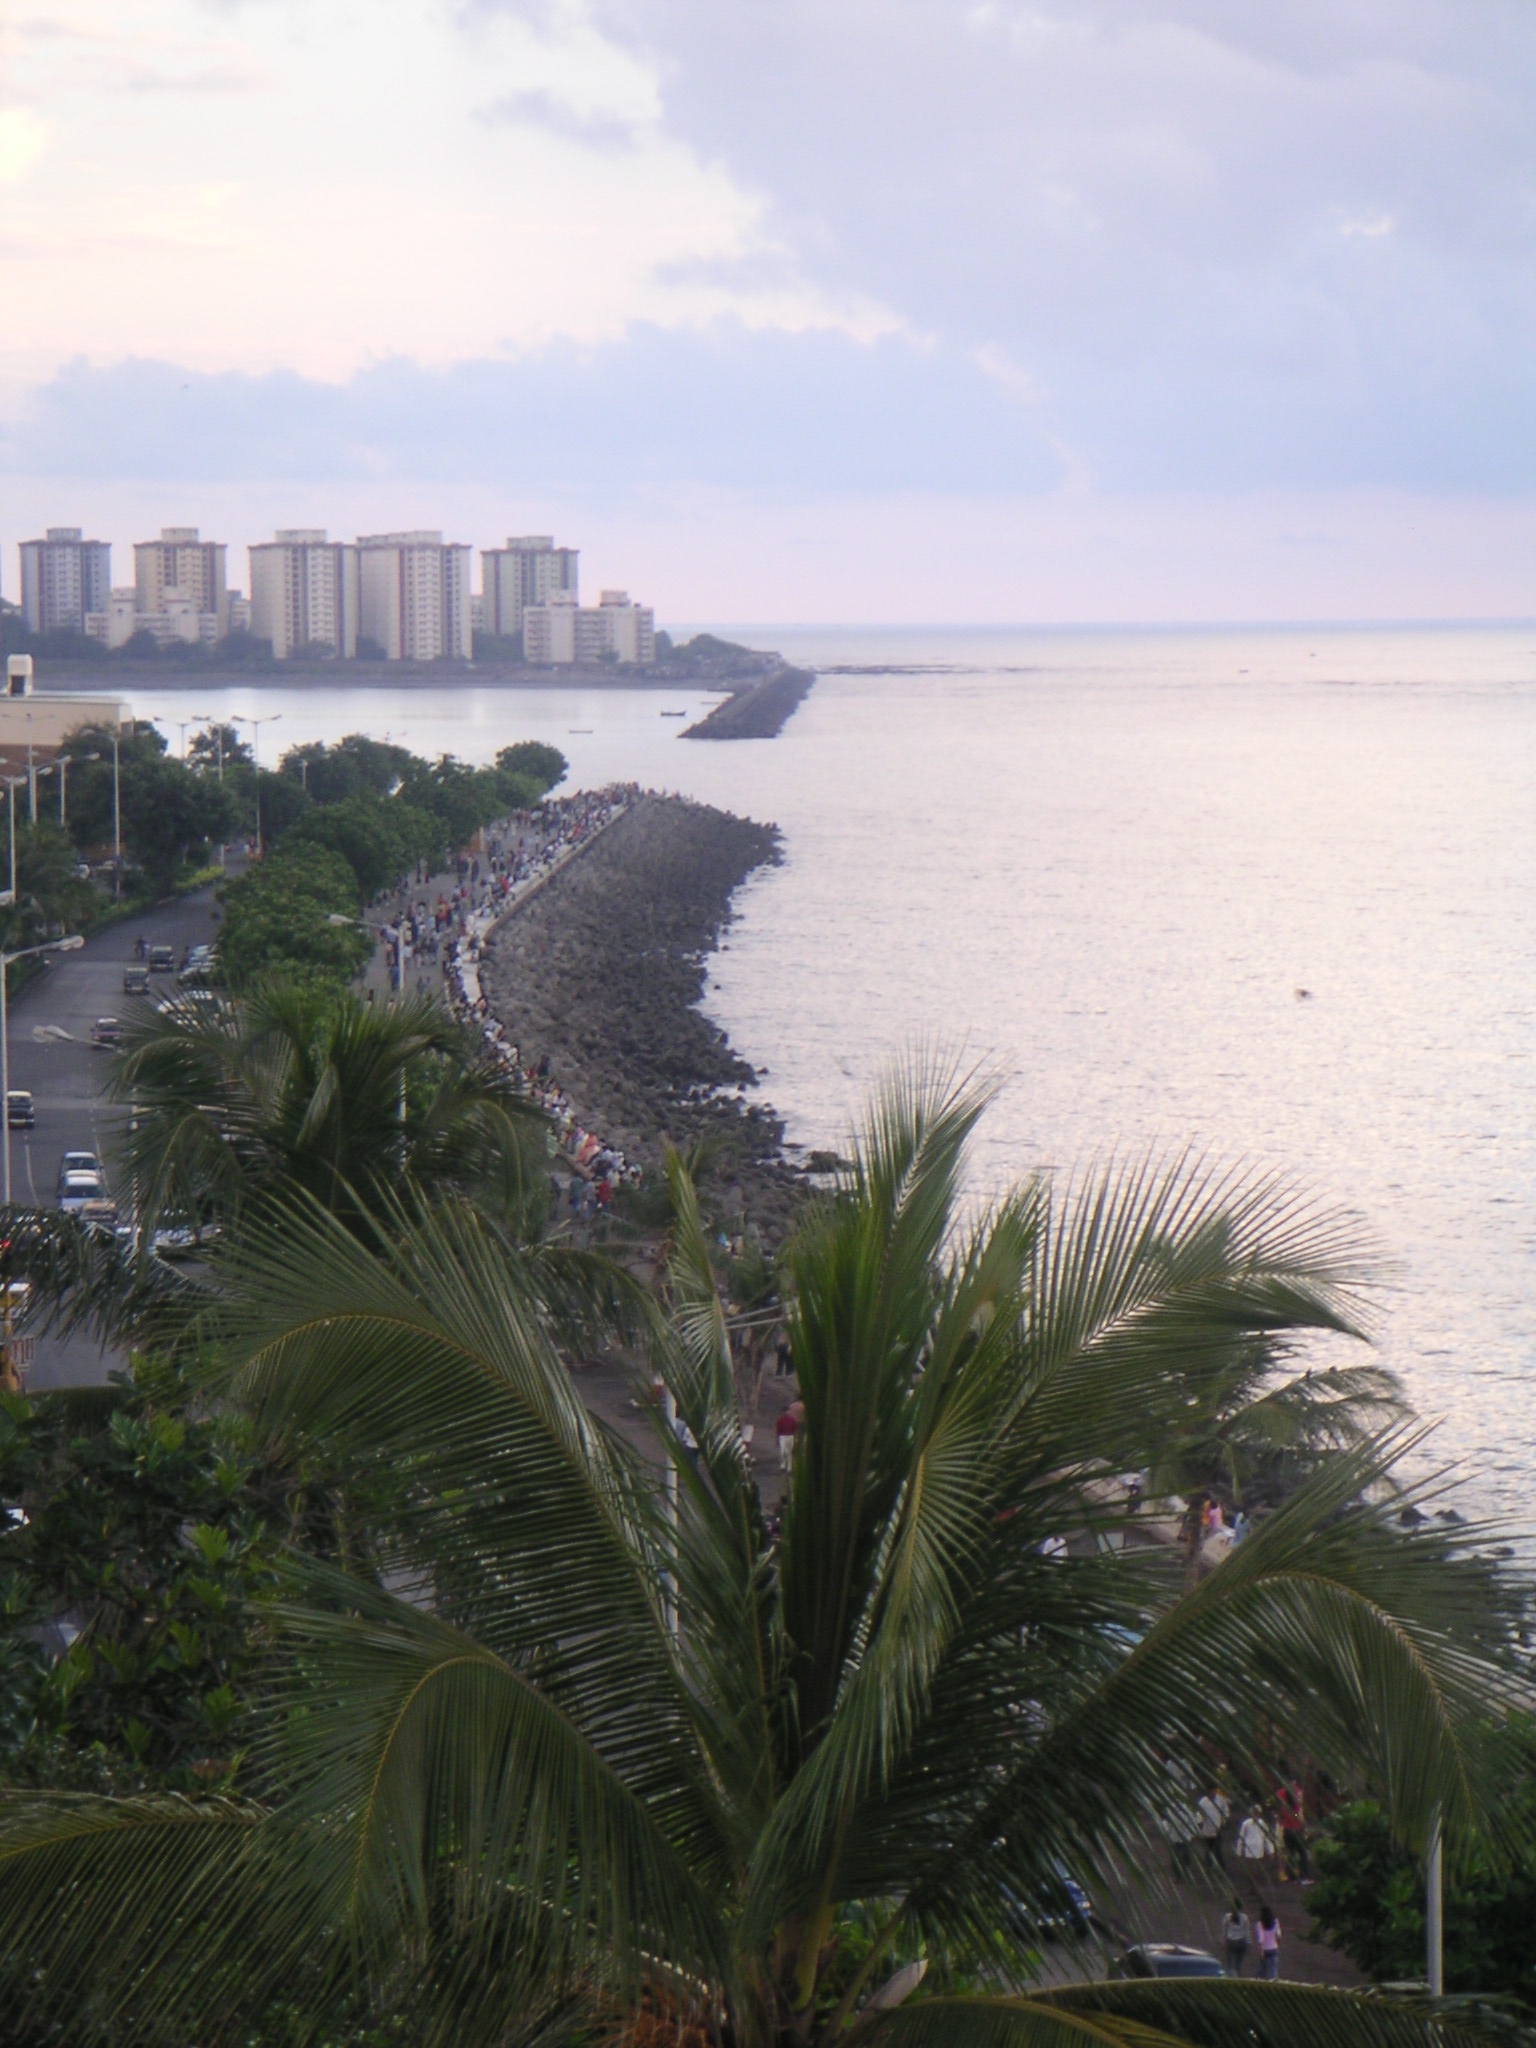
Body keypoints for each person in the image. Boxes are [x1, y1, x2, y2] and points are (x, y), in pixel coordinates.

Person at [1275, 1777, 1311, 1882]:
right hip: (1296, 1830)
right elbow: (1300, 1818)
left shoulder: (1283, 1808)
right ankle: (1303, 1876)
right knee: (1303, 1853)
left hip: (1287, 1830)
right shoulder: (1296, 1809)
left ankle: (1291, 1875)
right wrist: (1303, 1823)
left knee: (1290, 1853)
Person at [1196, 1787, 1230, 1873]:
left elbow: (1225, 1811)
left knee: (1217, 1848)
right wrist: (1200, 1824)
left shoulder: (1221, 1800)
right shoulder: (1203, 1802)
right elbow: (1199, 1815)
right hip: (1207, 1829)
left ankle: (1222, 1868)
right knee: (1208, 1849)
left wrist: (1223, 1823)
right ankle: (1208, 1867)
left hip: (1218, 1828)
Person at [1236, 1806, 1274, 1878]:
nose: (1255, 1815)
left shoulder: (1262, 1824)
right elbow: (1241, 1837)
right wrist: (1239, 1851)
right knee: (1251, 1866)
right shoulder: (1246, 1824)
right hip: (1249, 1848)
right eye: (1254, 1813)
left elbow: (1267, 1838)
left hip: (1259, 1848)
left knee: (1258, 1865)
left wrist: (1271, 1850)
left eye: (1256, 1814)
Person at [1221, 1899, 1250, 1976]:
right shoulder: (1244, 1917)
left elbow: (1224, 1931)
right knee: (1239, 1963)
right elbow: (1247, 1931)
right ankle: (1238, 1977)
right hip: (1241, 1941)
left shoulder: (1227, 1917)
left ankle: (1230, 1978)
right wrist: (1248, 1942)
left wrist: (1223, 1941)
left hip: (1231, 1941)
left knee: (1230, 1964)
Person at [1256, 1903, 1281, 1979]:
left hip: (1264, 1949)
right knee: (1273, 1969)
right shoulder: (1275, 1921)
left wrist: (1261, 1950)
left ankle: (1261, 1983)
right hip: (1274, 1947)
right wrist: (1277, 1942)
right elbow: (1279, 1935)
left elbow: (1261, 1939)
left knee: (1263, 1969)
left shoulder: (1260, 1924)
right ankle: (1273, 1983)